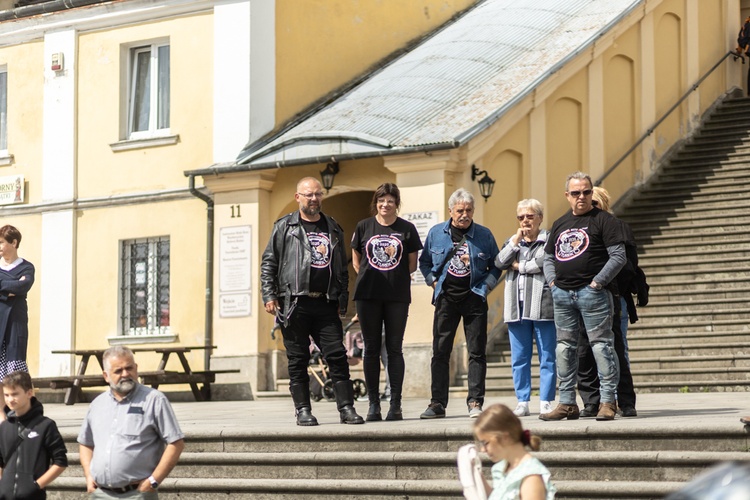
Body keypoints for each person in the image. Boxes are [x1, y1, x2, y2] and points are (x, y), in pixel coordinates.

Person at [260, 177, 364, 426]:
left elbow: (340, 268)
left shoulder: (333, 227)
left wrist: (341, 298)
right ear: (298, 197)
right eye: (308, 195)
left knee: (337, 355)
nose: (314, 199)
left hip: (325, 303)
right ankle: (303, 410)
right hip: (293, 302)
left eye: (318, 194)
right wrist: (269, 295)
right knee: (297, 359)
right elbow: (269, 263)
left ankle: (347, 408)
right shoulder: (285, 227)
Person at [541, 172, 626, 421]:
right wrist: (553, 283)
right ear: (567, 195)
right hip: (563, 295)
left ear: (592, 193)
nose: (582, 197)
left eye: (586, 192)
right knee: (564, 349)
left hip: (593, 296)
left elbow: (618, 256)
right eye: (576, 192)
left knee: (602, 347)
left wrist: (597, 283)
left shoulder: (604, 221)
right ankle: (567, 403)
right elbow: (548, 257)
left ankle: (608, 401)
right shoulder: (559, 223)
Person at [419, 188, 501, 419]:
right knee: (440, 351)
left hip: (474, 297)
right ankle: (437, 404)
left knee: (476, 352)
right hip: (446, 298)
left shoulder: (484, 235)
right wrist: (433, 283)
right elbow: (424, 262)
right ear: (450, 211)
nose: (464, 215)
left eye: (468, 210)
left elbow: (496, 265)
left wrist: (486, 287)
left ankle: (475, 402)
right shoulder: (436, 233)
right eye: (460, 210)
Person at [351, 183, 422, 422]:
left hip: (397, 296)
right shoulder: (363, 226)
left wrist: (393, 276)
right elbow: (356, 262)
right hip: (368, 295)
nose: (385, 204)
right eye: (381, 200)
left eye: (390, 200)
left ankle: (395, 404)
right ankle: (373, 404)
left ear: (396, 204)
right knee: (370, 349)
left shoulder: (407, 229)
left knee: (394, 349)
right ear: (376, 203)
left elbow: (412, 264)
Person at [77, 346, 185, 498]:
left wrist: (153, 481)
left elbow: (176, 443)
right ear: (106, 376)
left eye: (129, 368)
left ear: (136, 368)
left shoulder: (154, 400)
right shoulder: (97, 404)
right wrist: (89, 476)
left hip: (137, 494)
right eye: (118, 371)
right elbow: (85, 443)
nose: (125, 374)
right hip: (100, 494)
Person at [576, 186, 638, 418]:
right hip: (582, 298)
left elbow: (628, 265)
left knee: (616, 349)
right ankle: (591, 401)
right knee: (584, 351)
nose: (591, 209)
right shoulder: (578, 228)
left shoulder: (618, 227)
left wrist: (600, 283)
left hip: (612, 296)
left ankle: (625, 400)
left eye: (595, 204)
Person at [495, 199, 556, 418]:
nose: (525, 221)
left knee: (547, 356)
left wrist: (519, 266)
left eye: (530, 216)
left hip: (543, 305)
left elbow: (543, 262)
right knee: (519, 358)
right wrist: (514, 243)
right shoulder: (513, 242)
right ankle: (522, 401)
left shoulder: (548, 239)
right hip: (516, 307)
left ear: (540, 217)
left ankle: (547, 400)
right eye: (521, 217)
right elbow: (499, 263)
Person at [0, 371, 67, 499]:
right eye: (6, 395)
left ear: (29, 393)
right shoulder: (4, 427)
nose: (10, 400)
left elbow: (60, 462)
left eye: (15, 394)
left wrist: (36, 486)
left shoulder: (46, 425)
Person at [472, 404, 556, 500]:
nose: (483, 450)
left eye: (485, 443)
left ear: (504, 437)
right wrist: (476, 476)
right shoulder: (502, 467)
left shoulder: (530, 478)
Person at [0, 225, 35, 423]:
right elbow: (17, 286)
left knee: (16, 369)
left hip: (16, 323)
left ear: (14, 243)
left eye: (2, 242)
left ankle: (25, 413)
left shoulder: (26, 267)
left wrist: (4, 287)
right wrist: (12, 288)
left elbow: (24, 285)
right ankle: (1, 415)